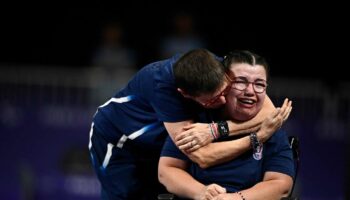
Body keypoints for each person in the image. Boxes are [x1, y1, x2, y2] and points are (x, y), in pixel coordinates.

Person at [88, 48, 291, 199]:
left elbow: (271, 112)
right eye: (212, 101)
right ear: (186, 95)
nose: (221, 102)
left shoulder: (221, 66)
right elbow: (202, 157)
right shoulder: (165, 90)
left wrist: (216, 130)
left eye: (224, 92)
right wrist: (257, 138)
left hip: (159, 137)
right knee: (128, 194)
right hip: (119, 143)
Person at [158, 50, 295, 200]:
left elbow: (281, 183)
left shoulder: (272, 130)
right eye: (241, 82)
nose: (250, 91)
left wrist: (237, 198)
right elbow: (168, 170)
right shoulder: (196, 122)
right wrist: (201, 191)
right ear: (224, 84)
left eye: (259, 84)